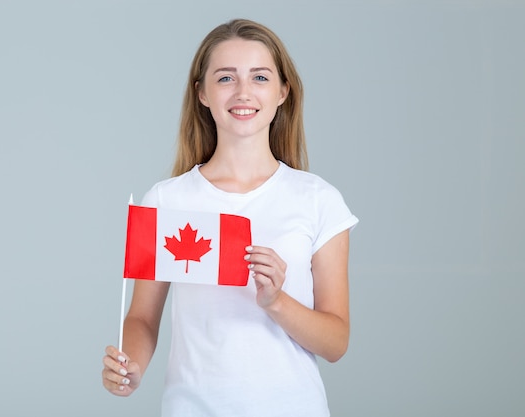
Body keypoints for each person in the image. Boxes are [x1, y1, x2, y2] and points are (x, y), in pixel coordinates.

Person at [102, 18, 358, 416]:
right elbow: (141, 318)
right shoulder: (166, 201)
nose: (243, 92)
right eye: (225, 78)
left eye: (259, 77)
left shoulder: (318, 200)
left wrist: (276, 301)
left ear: (282, 91)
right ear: (202, 93)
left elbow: (336, 342)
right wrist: (131, 366)